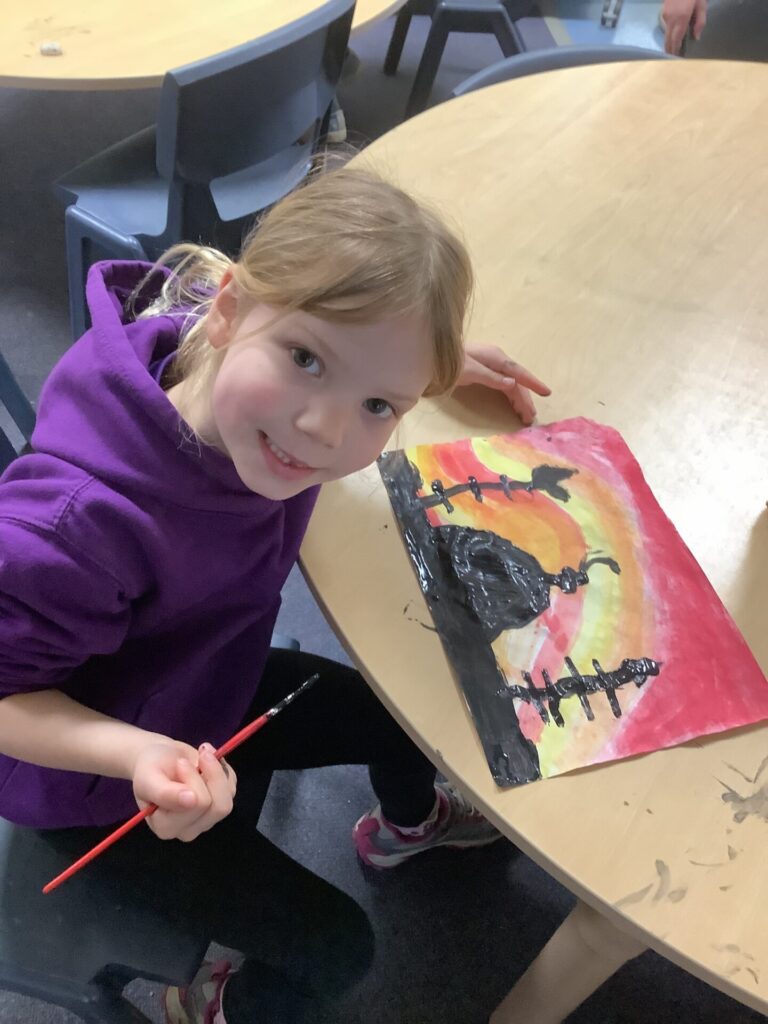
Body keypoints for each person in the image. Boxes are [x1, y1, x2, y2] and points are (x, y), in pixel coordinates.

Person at [0, 165, 550, 1023]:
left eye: (379, 404)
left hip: (198, 680)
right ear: (227, 310)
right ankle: (211, 1004)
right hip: (101, 788)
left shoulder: (236, 360)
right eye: (306, 360)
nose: (325, 430)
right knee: (340, 948)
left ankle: (409, 829)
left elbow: (334, 341)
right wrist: (137, 757)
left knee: (397, 715)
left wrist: (421, 370)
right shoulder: (78, 527)